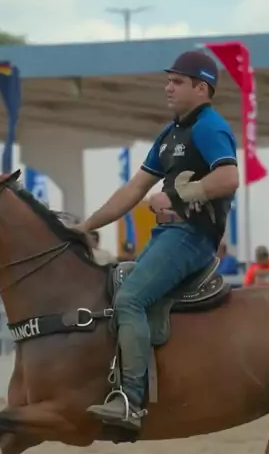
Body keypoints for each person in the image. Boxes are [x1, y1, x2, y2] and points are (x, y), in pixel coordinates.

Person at [77, 50, 240, 430]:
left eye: (177, 81)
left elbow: (229, 177)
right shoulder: (169, 134)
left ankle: (131, 401)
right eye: (168, 80)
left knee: (131, 299)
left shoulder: (209, 127)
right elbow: (134, 189)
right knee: (116, 284)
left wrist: (177, 196)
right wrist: (85, 226)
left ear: (202, 88)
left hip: (191, 236)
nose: (168, 87)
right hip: (168, 234)